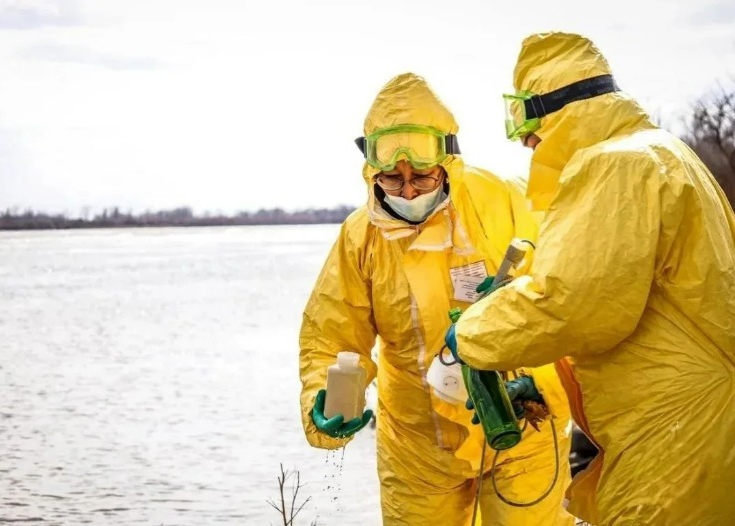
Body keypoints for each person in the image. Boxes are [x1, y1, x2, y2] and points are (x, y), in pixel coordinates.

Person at [451, 32, 735, 526]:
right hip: (697, 422)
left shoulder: (615, 165)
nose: (525, 141)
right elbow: (642, 313)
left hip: (675, 437)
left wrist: (473, 333)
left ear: (558, 111)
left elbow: (572, 305)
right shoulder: (662, 153)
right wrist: (546, 389)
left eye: (527, 122)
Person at [299, 72, 575, 525]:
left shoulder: (505, 200)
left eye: (422, 177)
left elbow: (568, 298)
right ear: (372, 172)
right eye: (393, 179)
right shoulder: (360, 237)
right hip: (417, 449)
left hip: (524, 423)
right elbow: (332, 336)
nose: (408, 191)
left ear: (448, 162)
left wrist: (542, 386)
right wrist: (323, 397)